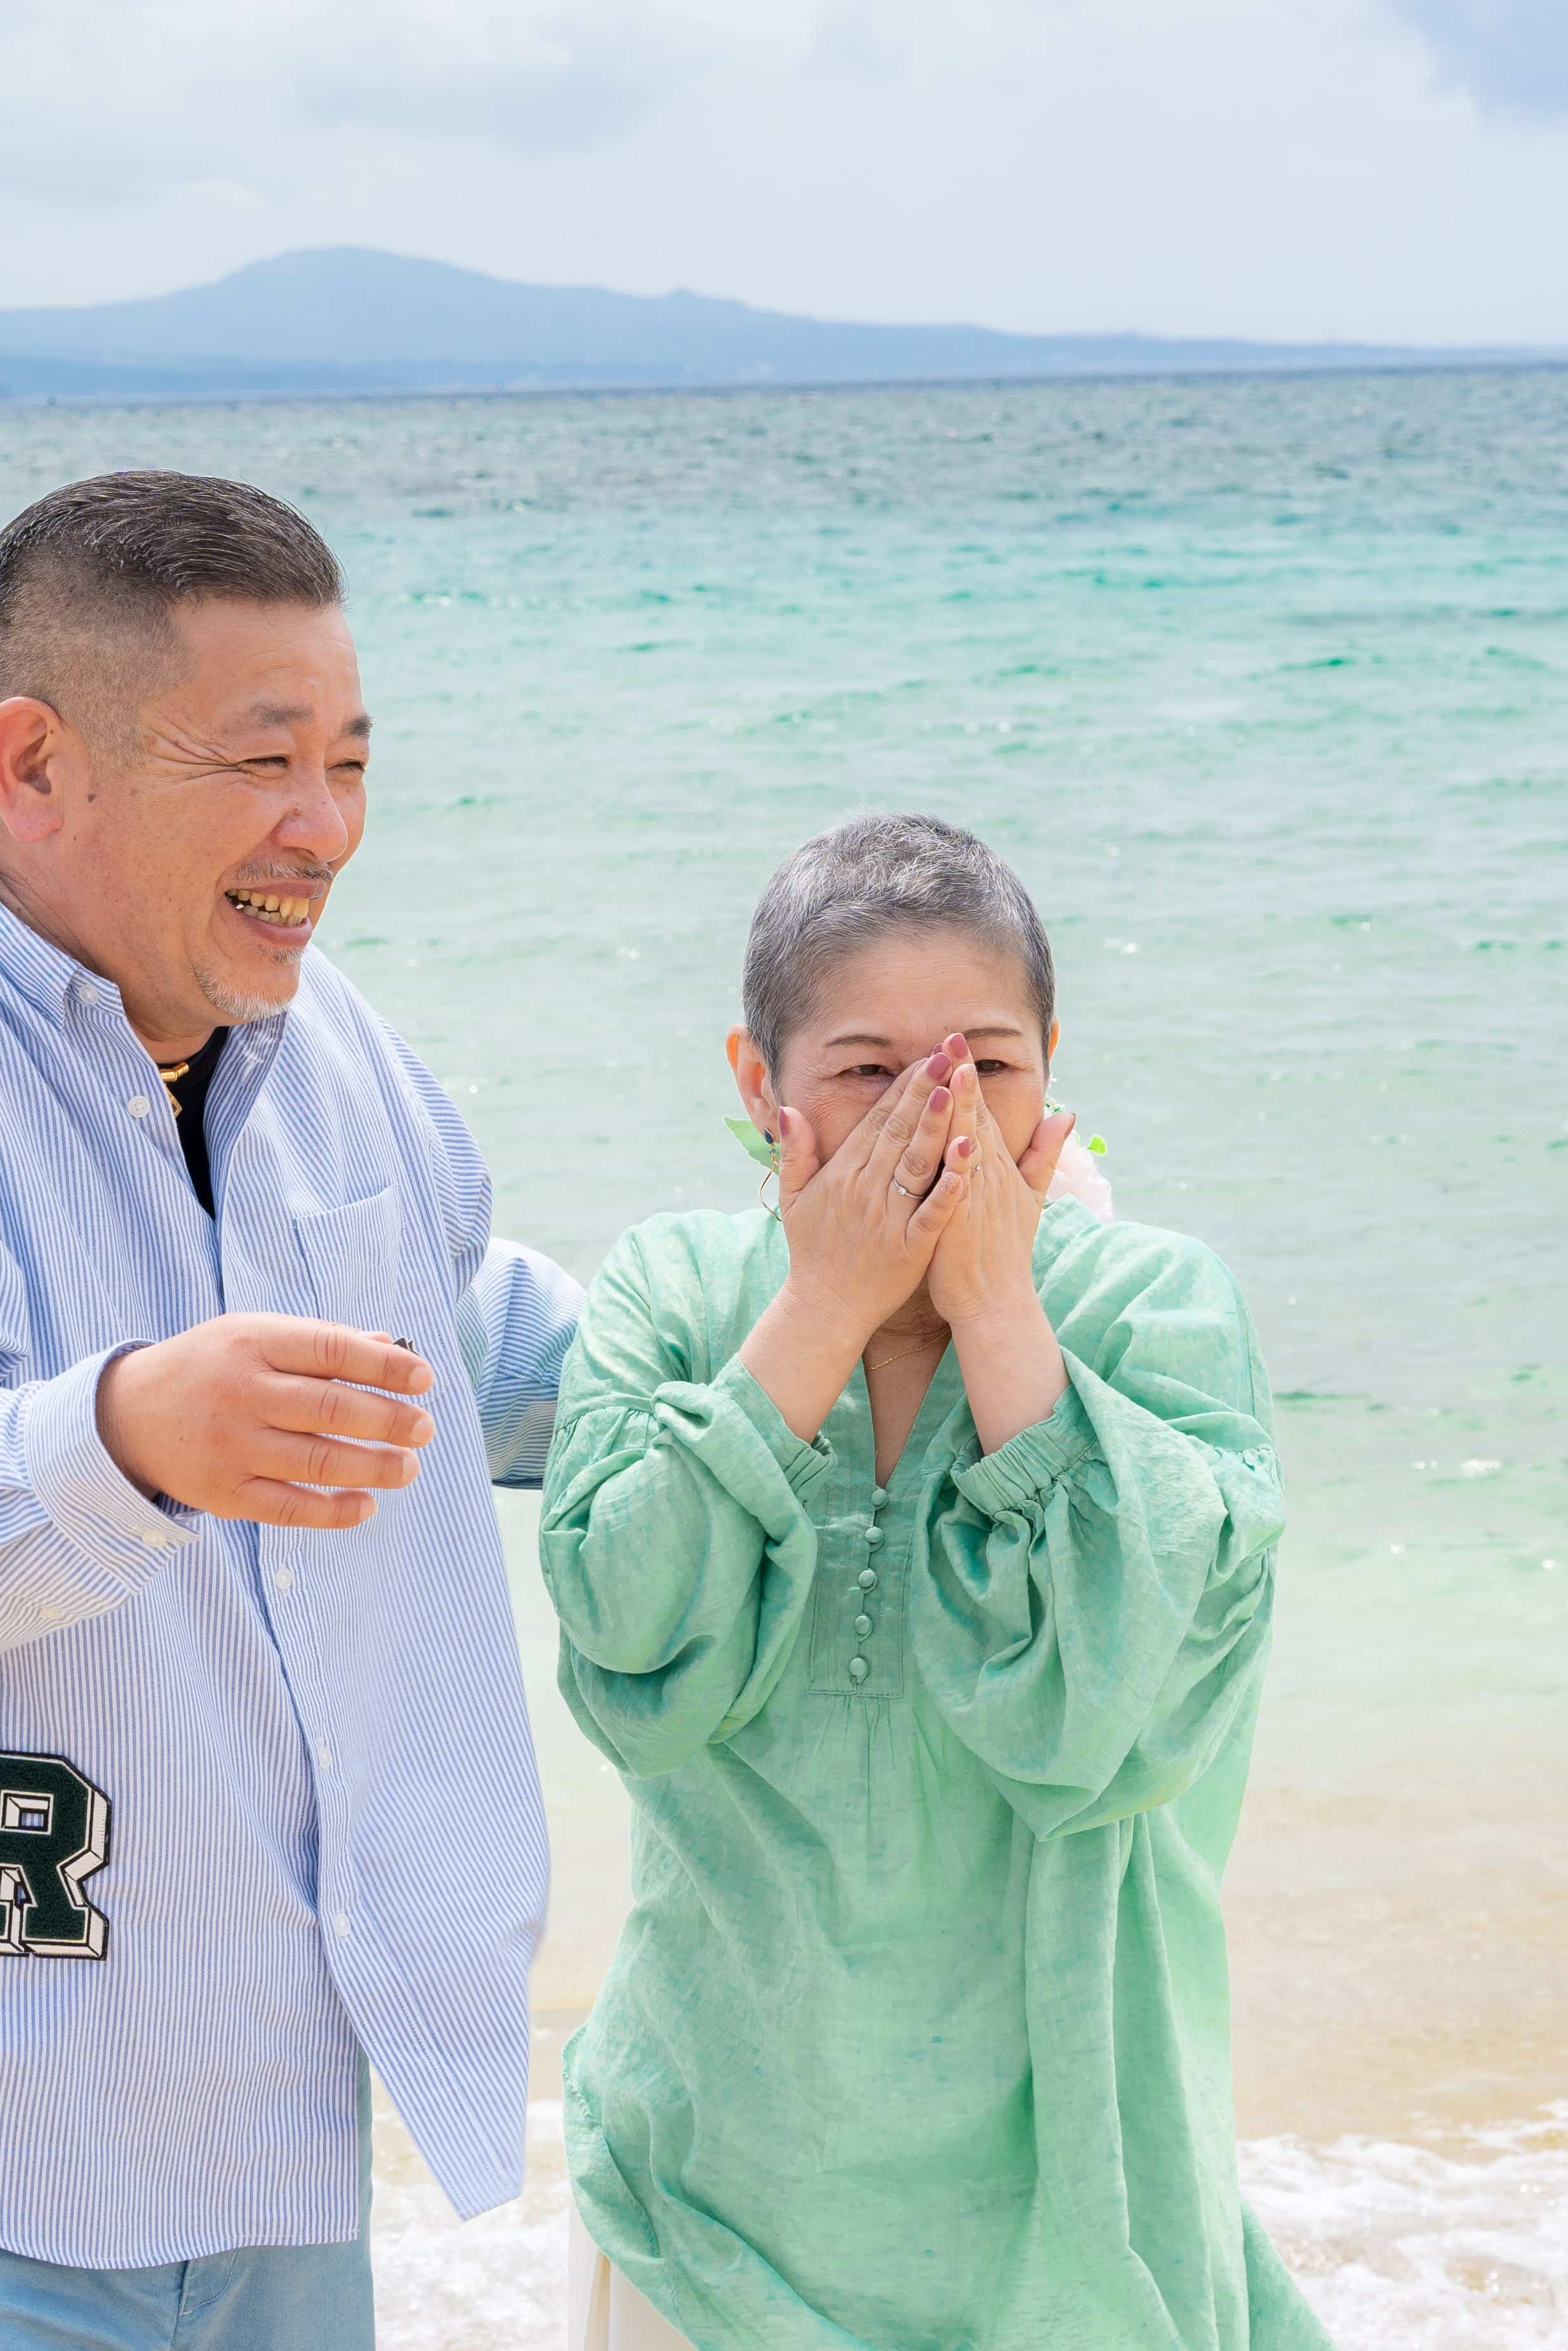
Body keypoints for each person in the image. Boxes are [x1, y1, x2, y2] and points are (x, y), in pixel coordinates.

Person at [0, 470, 580, 2350]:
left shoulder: (326, 1042)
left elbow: (473, 1351)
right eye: (263, 760)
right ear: (38, 761)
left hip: (272, 2127)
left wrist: (847, 1308)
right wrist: (135, 1432)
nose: (325, 830)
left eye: (356, 765)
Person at [543, 814, 1323, 2351]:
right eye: (865, 1066)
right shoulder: (679, 1291)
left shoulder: (1157, 1307)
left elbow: (1126, 1715)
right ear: (756, 1079)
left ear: (1054, 1064)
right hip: (711, 2195)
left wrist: (994, 1304)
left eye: (985, 1059)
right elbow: (621, 1633)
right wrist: (824, 1304)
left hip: (1069, 2216)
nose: (935, 1111)